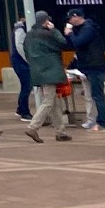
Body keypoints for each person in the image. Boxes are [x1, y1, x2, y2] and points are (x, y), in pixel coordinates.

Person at [20, 11, 72, 144]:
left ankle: (60, 132)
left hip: (37, 70)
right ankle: (33, 127)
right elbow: (63, 43)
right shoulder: (48, 34)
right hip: (51, 70)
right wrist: (54, 30)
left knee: (54, 102)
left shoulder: (29, 35)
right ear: (46, 21)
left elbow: (26, 53)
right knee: (49, 100)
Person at [65, 11, 105, 131]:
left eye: (70, 18)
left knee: (97, 95)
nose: (69, 21)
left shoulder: (88, 28)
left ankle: (103, 122)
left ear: (77, 17)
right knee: (90, 95)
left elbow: (78, 42)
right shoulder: (82, 29)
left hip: (95, 66)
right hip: (88, 67)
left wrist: (69, 33)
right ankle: (94, 120)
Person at [12, 16, 33, 121]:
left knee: (26, 86)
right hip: (21, 63)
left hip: (20, 62)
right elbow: (19, 46)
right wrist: (28, 60)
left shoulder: (20, 28)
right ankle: (24, 111)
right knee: (27, 86)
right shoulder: (20, 29)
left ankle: (21, 109)